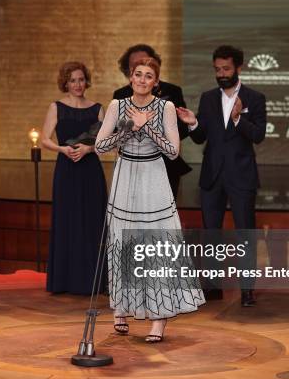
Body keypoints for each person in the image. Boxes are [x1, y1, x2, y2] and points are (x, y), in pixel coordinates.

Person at [96, 57, 205, 343]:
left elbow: (172, 151)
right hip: (125, 175)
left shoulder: (165, 107)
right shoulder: (117, 105)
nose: (142, 80)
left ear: (155, 82)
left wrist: (148, 127)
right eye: (138, 74)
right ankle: (121, 309)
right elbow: (100, 146)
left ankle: (159, 319)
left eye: (148, 76)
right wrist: (129, 127)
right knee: (122, 243)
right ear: (130, 78)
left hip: (153, 177)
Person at [176, 45, 266, 307]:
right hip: (212, 176)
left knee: (245, 233)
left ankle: (247, 290)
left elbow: (258, 135)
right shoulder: (207, 98)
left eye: (226, 69)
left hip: (242, 176)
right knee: (211, 233)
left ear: (239, 67)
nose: (221, 73)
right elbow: (202, 135)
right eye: (217, 69)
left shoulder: (254, 97)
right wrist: (193, 122)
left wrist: (239, 119)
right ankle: (212, 286)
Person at [42, 61, 107, 295]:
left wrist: (89, 150)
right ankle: (65, 281)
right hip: (67, 170)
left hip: (90, 171)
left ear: (86, 81)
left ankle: (93, 281)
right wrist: (63, 150)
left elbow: (106, 142)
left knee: (93, 222)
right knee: (68, 221)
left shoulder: (97, 108)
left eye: (81, 79)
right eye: (73, 80)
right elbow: (44, 139)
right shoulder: (56, 107)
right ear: (65, 83)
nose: (78, 84)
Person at [113, 44, 191, 199]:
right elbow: (116, 133)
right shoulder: (120, 95)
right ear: (129, 71)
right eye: (134, 66)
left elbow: (182, 128)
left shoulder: (172, 91)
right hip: (131, 164)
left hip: (166, 163)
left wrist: (154, 132)